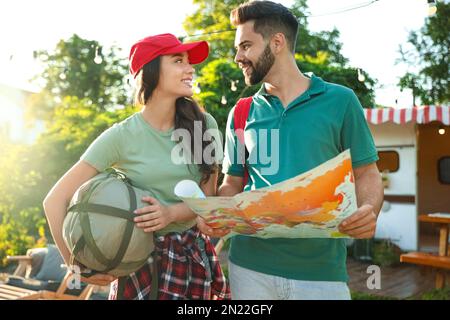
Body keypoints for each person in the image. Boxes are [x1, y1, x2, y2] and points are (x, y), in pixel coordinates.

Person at [198, 1, 383, 300]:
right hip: (249, 268)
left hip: (321, 273)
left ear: (277, 42)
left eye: (245, 46)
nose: (238, 57)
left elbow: (367, 173)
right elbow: (233, 182)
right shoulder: (241, 112)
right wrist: (220, 213)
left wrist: (368, 209)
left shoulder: (341, 101)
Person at [43, 33, 230, 300]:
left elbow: (208, 198)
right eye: (178, 61)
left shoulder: (205, 125)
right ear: (151, 71)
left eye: (189, 62)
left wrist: (171, 213)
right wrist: (76, 267)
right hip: (136, 262)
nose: (190, 69)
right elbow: (54, 201)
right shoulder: (121, 136)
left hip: (191, 257)